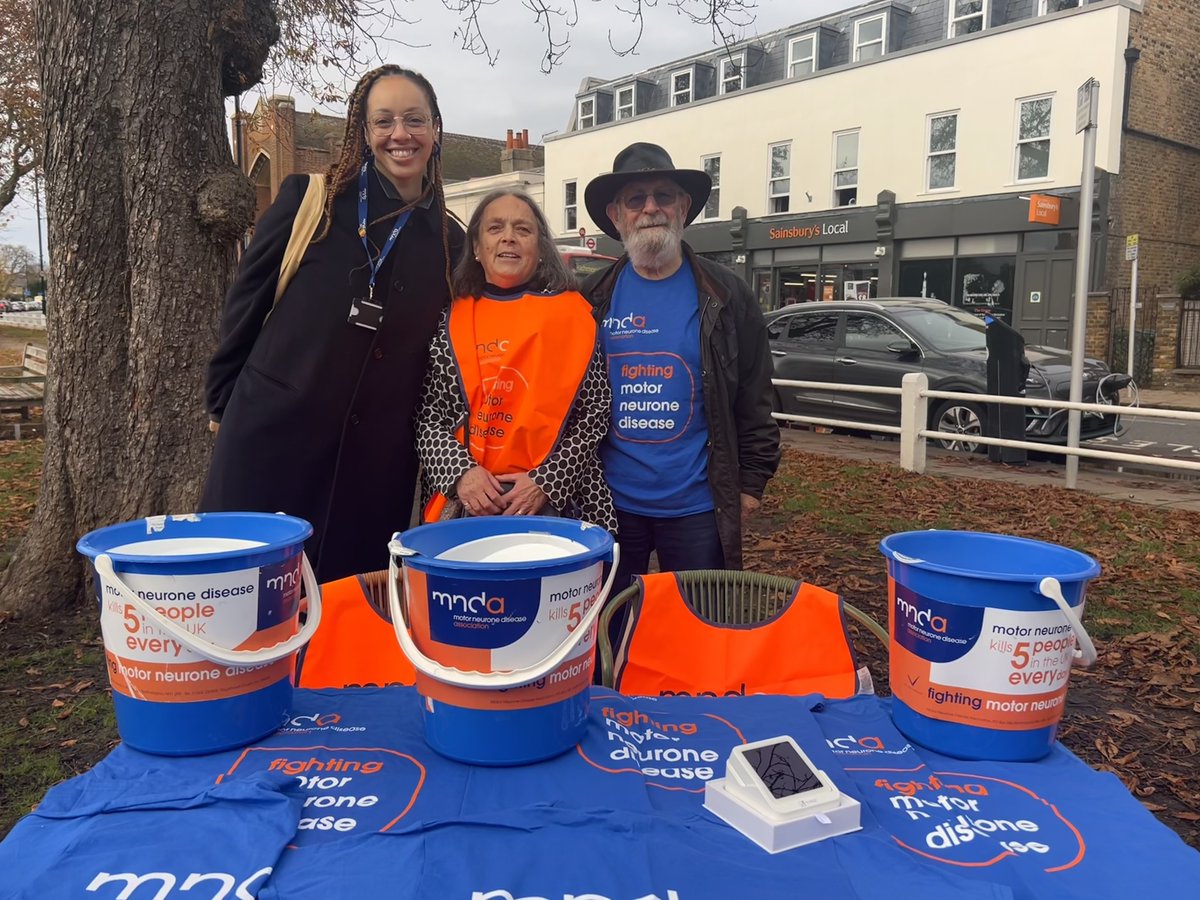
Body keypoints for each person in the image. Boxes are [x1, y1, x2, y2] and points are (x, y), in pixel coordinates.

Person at [201, 65, 464, 583]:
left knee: (347, 615)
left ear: (435, 130)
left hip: (374, 469)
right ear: (365, 134)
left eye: (414, 120)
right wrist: (226, 407)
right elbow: (245, 307)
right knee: (246, 602)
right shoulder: (309, 202)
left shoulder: (449, 242)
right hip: (272, 444)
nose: (400, 134)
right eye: (383, 121)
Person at [581, 142, 780, 592]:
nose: (651, 208)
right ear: (616, 216)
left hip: (697, 507)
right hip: (608, 504)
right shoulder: (590, 300)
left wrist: (750, 485)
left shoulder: (727, 296)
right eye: (636, 199)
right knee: (608, 629)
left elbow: (755, 397)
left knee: (694, 632)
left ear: (683, 207)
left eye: (663, 196)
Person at [416, 189, 615, 530]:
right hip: (465, 502)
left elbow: (595, 413)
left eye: (523, 229)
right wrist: (461, 475)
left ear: (540, 248)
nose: (509, 237)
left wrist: (547, 481)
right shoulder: (449, 318)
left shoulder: (574, 316)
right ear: (477, 247)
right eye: (495, 228)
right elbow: (428, 416)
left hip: (561, 503)